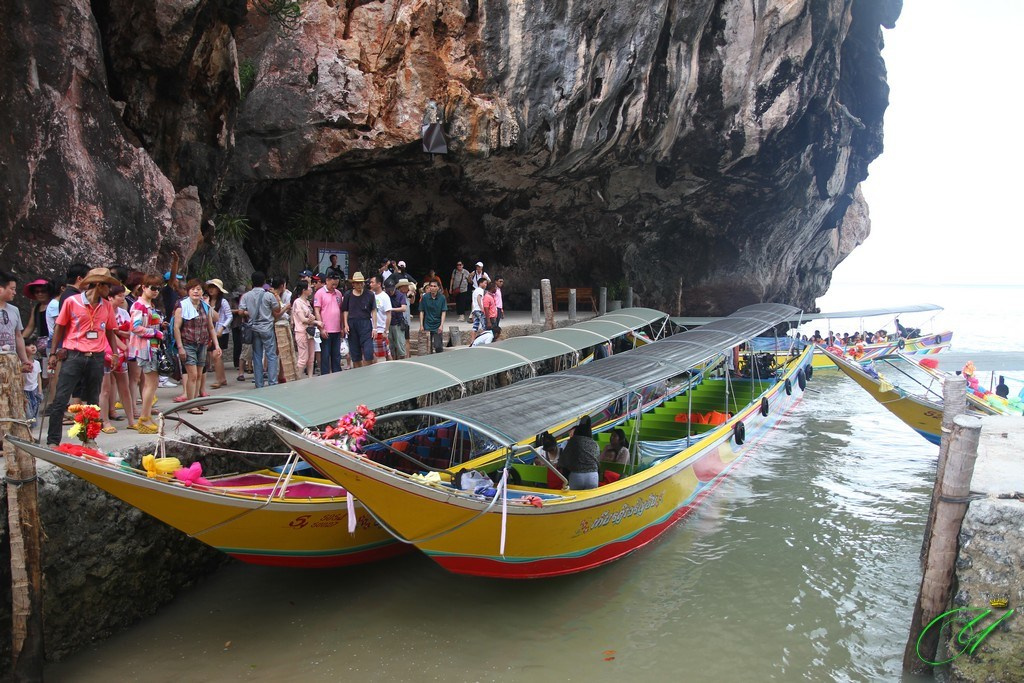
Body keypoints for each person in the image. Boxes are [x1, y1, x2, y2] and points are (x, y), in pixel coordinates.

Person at [45, 267, 121, 446]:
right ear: (98, 285)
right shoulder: (72, 302)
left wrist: (115, 352)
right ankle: (53, 440)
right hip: (74, 355)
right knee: (61, 398)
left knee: (93, 400)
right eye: (107, 286)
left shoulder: (107, 306)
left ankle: (89, 438)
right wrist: (54, 353)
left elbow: (110, 330)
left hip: (96, 356)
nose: (109, 291)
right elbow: (59, 327)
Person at [174, 279, 221, 409]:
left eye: (199, 289)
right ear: (188, 291)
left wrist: (216, 345)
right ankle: (191, 405)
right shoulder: (182, 306)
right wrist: (180, 347)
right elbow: (176, 328)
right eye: (193, 289)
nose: (196, 291)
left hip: (203, 343)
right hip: (188, 343)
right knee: (193, 375)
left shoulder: (205, 307)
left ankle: (197, 402)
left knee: (199, 374)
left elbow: (211, 327)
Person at [0, 271, 35, 441]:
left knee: (15, 398)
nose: (15, 292)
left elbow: (18, 336)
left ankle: (15, 435)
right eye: (12, 289)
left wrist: (25, 360)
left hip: (11, 360)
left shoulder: (14, 310)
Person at [128, 275, 165, 434]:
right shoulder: (139, 305)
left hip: (153, 348)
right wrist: (155, 333)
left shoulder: (149, 305)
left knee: (152, 383)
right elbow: (135, 327)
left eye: (158, 288)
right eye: (153, 288)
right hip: (146, 349)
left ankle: (147, 415)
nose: (156, 291)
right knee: (150, 383)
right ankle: (144, 417)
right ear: (143, 287)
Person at [99, 285, 135, 432]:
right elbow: (109, 333)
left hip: (120, 352)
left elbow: (129, 332)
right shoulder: (103, 311)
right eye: (119, 296)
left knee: (124, 387)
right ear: (110, 297)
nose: (122, 298)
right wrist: (123, 347)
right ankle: (105, 421)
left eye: (123, 295)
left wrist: (123, 341)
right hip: (106, 351)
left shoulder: (123, 313)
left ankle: (131, 420)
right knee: (105, 389)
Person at [240, 271, 281, 388]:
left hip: (254, 328)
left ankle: (259, 383)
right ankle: (272, 382)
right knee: (271, 355)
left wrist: (249, 313)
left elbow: (241, 311)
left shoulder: (246, 296)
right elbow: (277, 308)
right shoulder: (268, 295)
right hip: (267, 328)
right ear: (264, 282)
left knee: (257, 355)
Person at [341, 272, 375, 368]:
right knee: (355, 353)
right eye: (357, 283)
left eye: (361, 283)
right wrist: (346, 324)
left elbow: (374, 311)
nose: (359, 285)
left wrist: (375, 328)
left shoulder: (369, 294)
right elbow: (345, 310)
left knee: (368, 351)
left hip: (365, 323)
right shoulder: (348, 295)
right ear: (353, 284)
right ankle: (358, 373)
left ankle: (368, 372)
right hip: (352, 323)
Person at [314, 272, 344, 374]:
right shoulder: (320, 293)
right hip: (326, 329)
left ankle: (337, 374)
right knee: (325, 355)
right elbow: (317, 311)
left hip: (337, 329)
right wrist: (321, 327)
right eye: (332, 284)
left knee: (336, 355)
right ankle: (325, 376)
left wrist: (342, 327)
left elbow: (340, 311)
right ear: (327, 281)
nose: (334, 286)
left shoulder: (338, 293)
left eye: (336, 284)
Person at [559, 415, 600, 490]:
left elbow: (564, 461)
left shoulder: (574, 441)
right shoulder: (594, 444)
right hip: (593, 476)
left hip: (577, 476)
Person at [205, 279, 233, 388]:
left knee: (216, 355)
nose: (211, 289)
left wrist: (222, 328)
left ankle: (219, 379)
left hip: (221, 332)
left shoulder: (223, 302)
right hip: (211, 331)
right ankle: (222, 378)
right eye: (210, 287)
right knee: (216, 356)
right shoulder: (206, 301)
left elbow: (229, 316)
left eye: (214, 287)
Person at [291, 281, 319, 379]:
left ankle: (310, 377)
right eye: (309, 288)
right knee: (303, 358)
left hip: (310, 332)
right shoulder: (297, 302)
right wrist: (316, 322)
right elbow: (302, 319)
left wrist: (312, 319)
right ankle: (297, 378)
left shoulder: (307, 302)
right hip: (301, 331)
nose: (311, 289)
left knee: (311, 357)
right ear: (304, 290)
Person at [369, 274, 392, 363]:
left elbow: (388, 315)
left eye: (372, 282)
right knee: (376, 353)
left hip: (380, 329)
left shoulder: (384, 297)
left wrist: (386, 331)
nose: (370, 284)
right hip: (372, 329)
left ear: (379, 284)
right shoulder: (371, 295)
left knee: (383, 354)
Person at [419, 280, 447, 354]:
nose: (432, 288)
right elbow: (421, 311)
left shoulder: (442, 298)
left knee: (438, 346)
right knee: (428, 346)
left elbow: (443, 312)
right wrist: (421, 325)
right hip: (427, 323)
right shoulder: (425, 297)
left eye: (435, 286)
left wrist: (441, 325)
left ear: (438, 288)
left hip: (437, 324)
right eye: (431, 286)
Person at [387, 279, 410, 360]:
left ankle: (402, 361)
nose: (390, 292)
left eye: (392, 290)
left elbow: (403, 308)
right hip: (388, 323)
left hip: (398, 322)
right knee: (390, 346)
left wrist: (391, 309)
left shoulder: (400, 295)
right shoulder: (386, 295)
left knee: (400, 344)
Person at [22, 339, 42, 424]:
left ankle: (32, 434)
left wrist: (40, 390)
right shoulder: (21, 363)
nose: (33, 347)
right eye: (29, 345)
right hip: (25, 390)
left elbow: (38, 377)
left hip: (35, 390)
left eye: (33, 344)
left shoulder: (37, 363)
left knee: (35, 412)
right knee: (28, 414)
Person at [470, 276, 488, 343]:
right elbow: (478, 298)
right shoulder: (480, 290)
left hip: (475, 310)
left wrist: (472, 312)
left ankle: (472, 341)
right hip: (479, 310)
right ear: (480, 283)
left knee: (475, 326)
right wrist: (482, 308)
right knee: (484, 325)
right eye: (485, 283)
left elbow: (473, 302)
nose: (486, 285)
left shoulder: (475, 291)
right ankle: (484, 341)